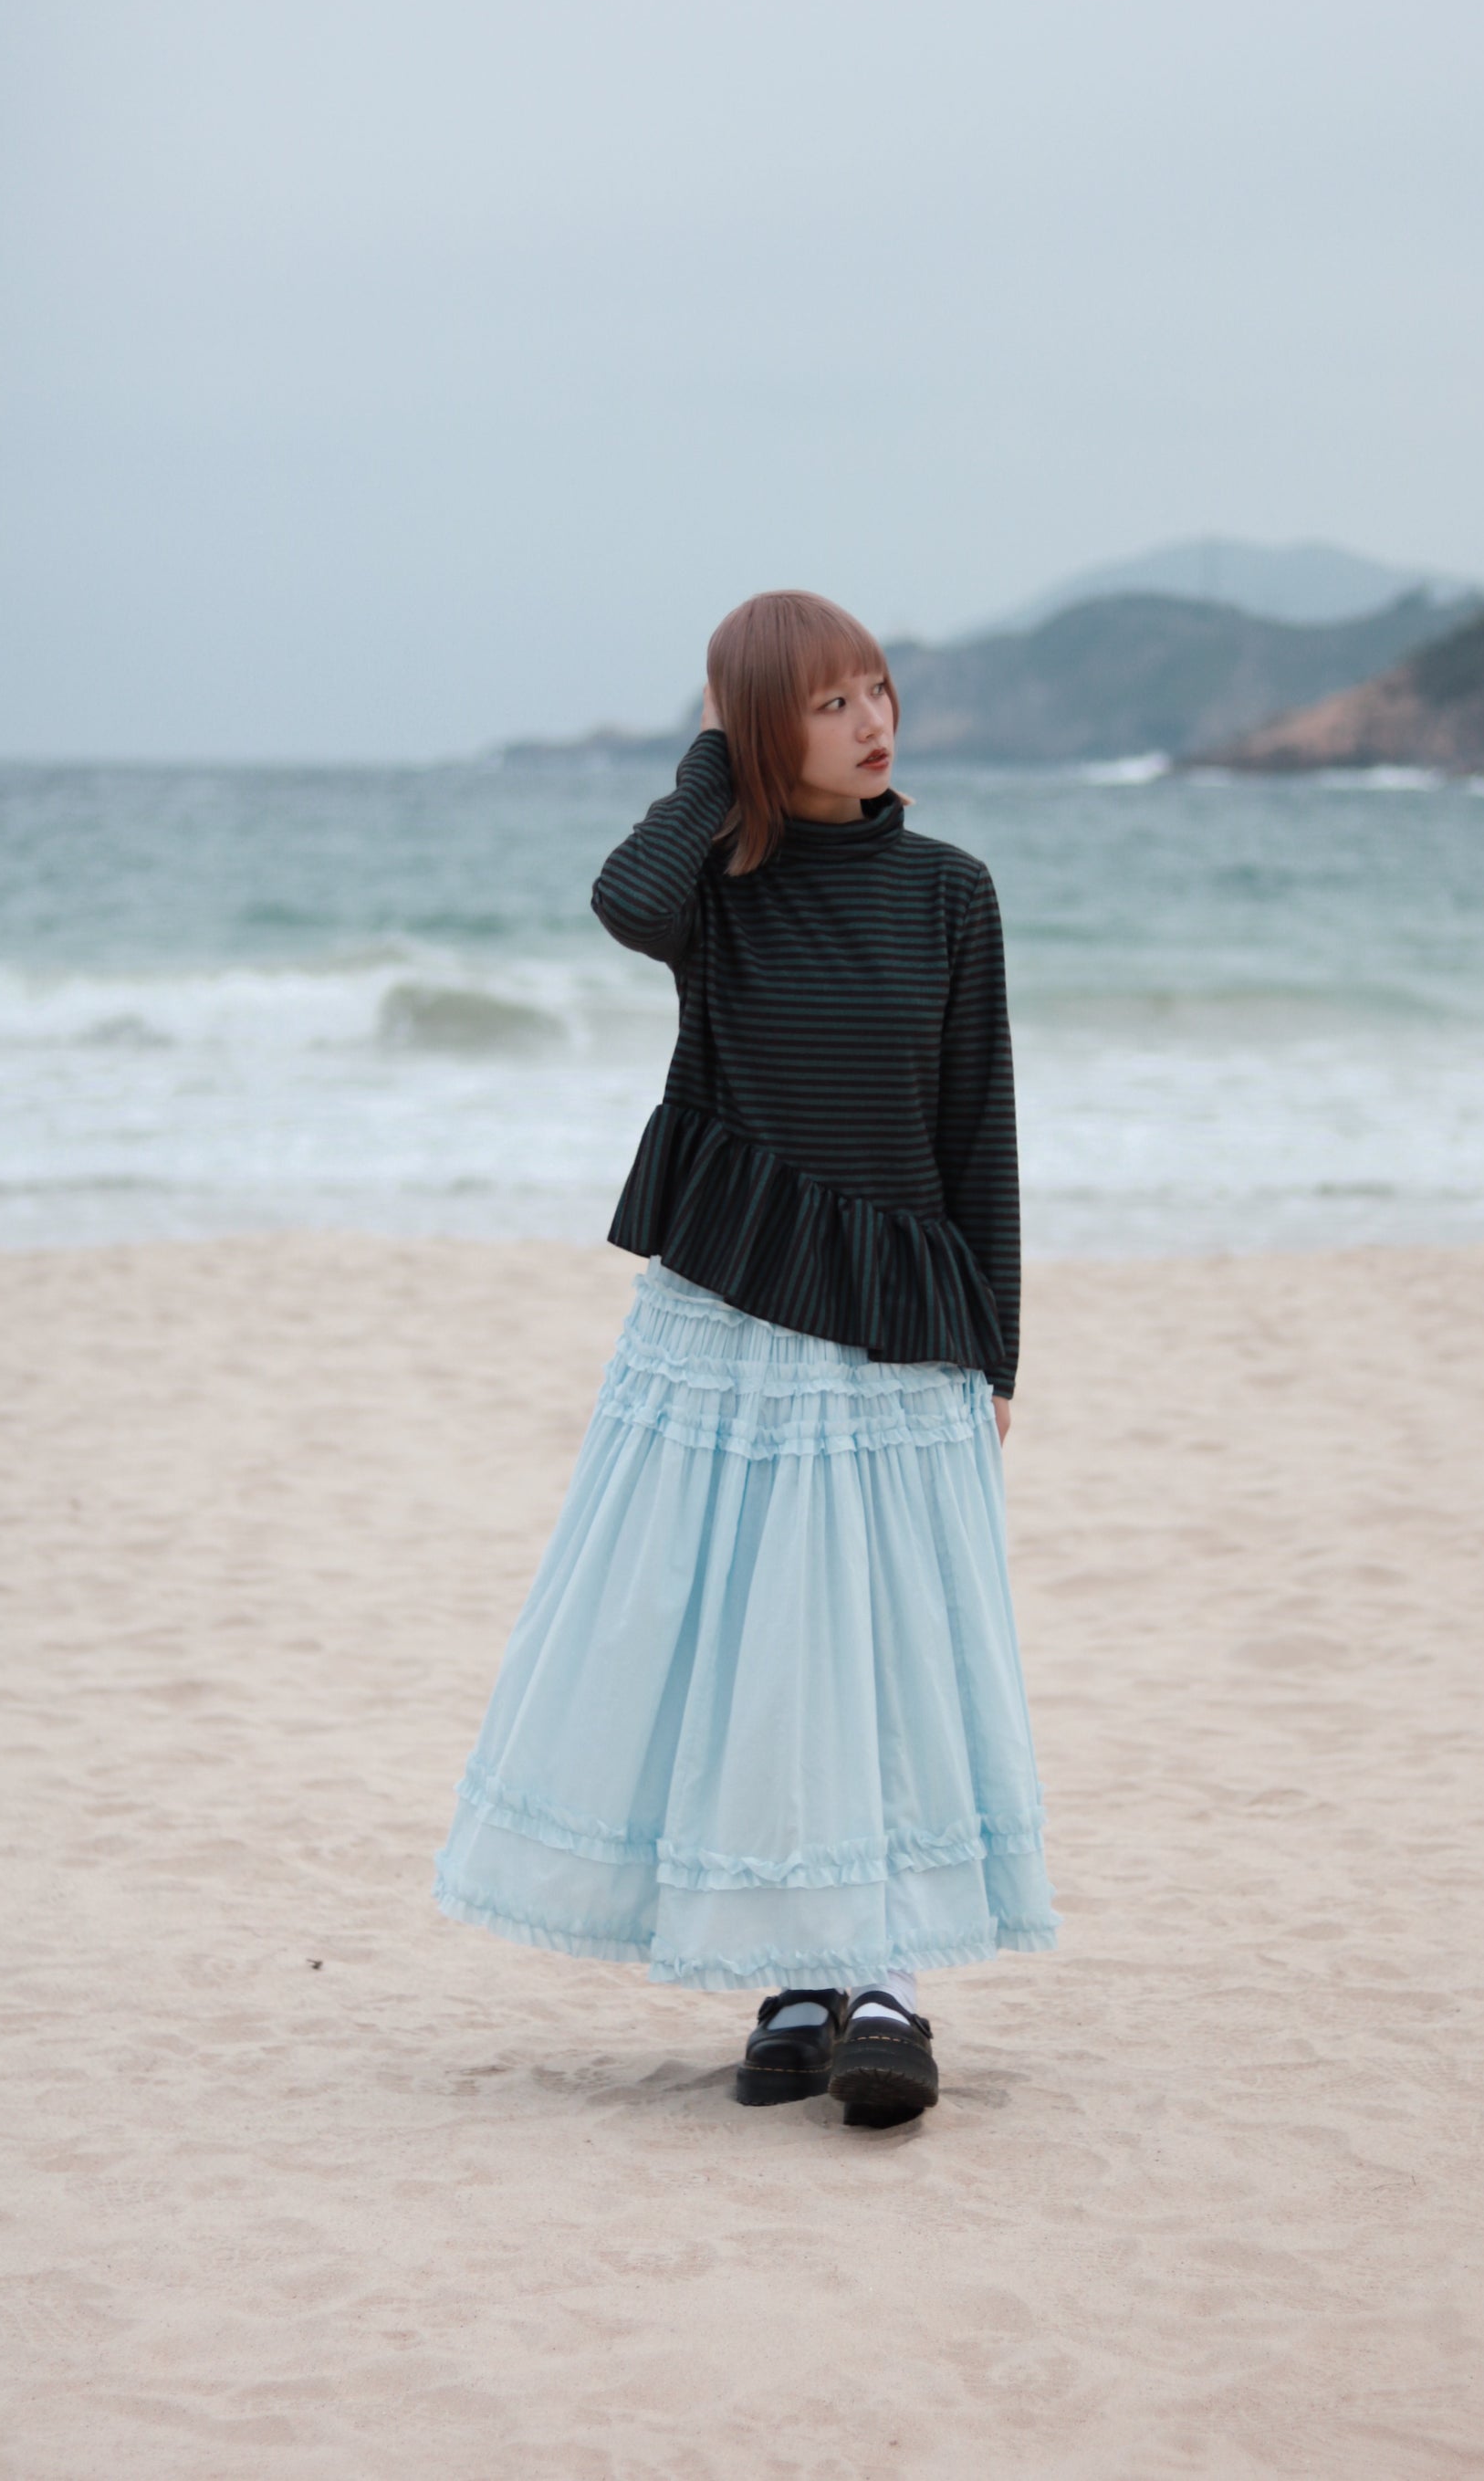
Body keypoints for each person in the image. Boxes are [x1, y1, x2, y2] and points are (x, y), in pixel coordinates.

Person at [433, 589, 1056, 2125]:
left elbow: (978, 1127)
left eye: (878, 690)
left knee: (883, 1650)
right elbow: (622, 899)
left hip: (897, 1316)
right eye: (829, 703)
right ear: (764, 731)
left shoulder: (950, 891)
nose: (872, 722)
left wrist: (997, 1354)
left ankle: (884, 1983)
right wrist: (713, 756)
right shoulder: (715, 890)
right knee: (752, 1645)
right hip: (731, 1317)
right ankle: (790, 1978)